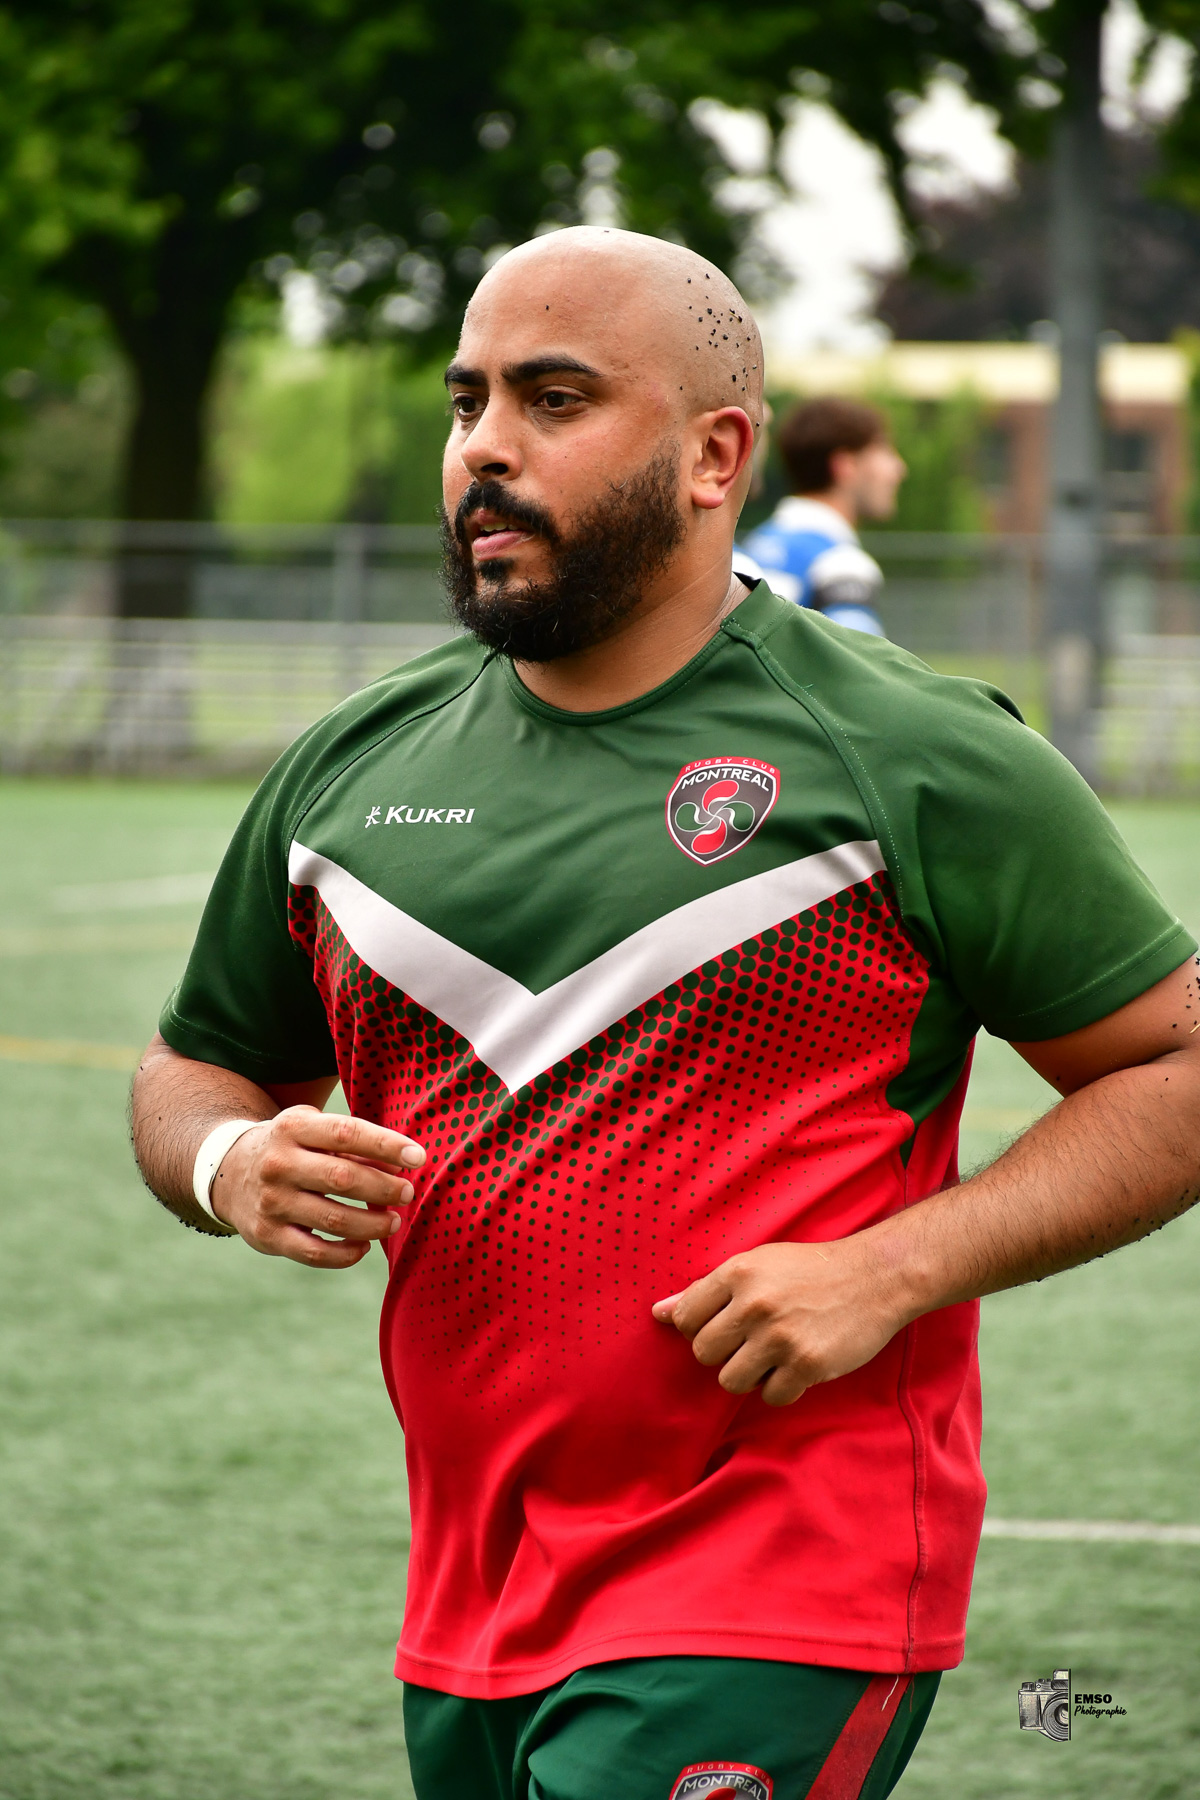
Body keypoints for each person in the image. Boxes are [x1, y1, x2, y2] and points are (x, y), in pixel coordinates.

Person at [131, 227, 1200, 1800]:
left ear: (716, 456)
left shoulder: (912, 756)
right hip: (471, 1596)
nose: (486, 446)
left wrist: (892, 1269)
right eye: (469, 399)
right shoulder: (345, 772)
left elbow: (1178, 1063)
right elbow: (193, 1063)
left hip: (780, 1579)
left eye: (555, 399)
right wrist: (227, 1163)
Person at [741, 396, 906, 636]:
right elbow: (856, 668)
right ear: (845, 465)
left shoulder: (753, 547)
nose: (898, 469)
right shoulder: (841, 563)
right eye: (884, 451)